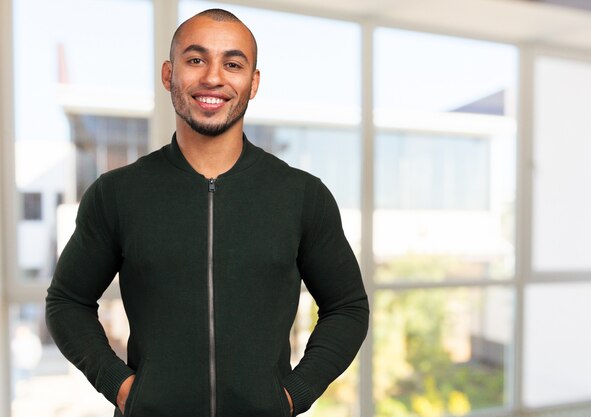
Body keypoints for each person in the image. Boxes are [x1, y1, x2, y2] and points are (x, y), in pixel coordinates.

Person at [45, 8, 369, 417]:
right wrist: (122, 387)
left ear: (253, 84)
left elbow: (348, 307)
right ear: (169, 74)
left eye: (232, 64)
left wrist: (293, 394)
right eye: (195, 59)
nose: (213, 77)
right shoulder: (117, 193)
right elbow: (67, 302)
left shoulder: (302, 195)